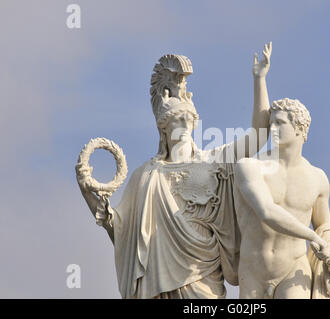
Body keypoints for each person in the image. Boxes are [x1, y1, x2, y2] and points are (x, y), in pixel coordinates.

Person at [76, 43, 273, 298]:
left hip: (203, 275)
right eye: (175, 120)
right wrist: (87, 192)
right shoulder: (146, 175)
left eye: (187, 120)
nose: (182, 125)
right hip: (157, 280)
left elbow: (258, 136)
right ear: (163, 129)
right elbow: (122, 234)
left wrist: (259, 79)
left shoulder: (213, 160)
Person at [234, 97, 330, 299]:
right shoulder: (250, 167)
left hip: (294, 270)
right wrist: (312, 237)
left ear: (299, 128)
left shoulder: (318, 178)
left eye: (279, 123)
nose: (272, 128)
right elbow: (266, 211)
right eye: (271, 123)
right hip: (253, 272)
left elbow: (326, 232)